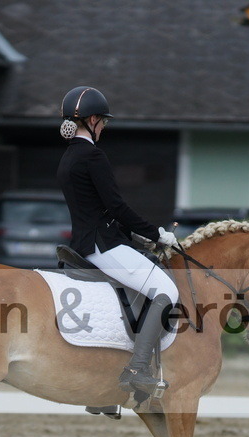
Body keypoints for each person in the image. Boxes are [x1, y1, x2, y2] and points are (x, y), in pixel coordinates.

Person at [56, 86, 180, 396]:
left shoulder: (69, 157)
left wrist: (135, 236)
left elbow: (96, 209)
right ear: (93, 119)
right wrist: (156, 234)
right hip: (102, 245)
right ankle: (136, 369)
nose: (105, 128)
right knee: (166, 290)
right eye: (104, 123)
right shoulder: (93, 156)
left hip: (88, 241)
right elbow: (115, 206)